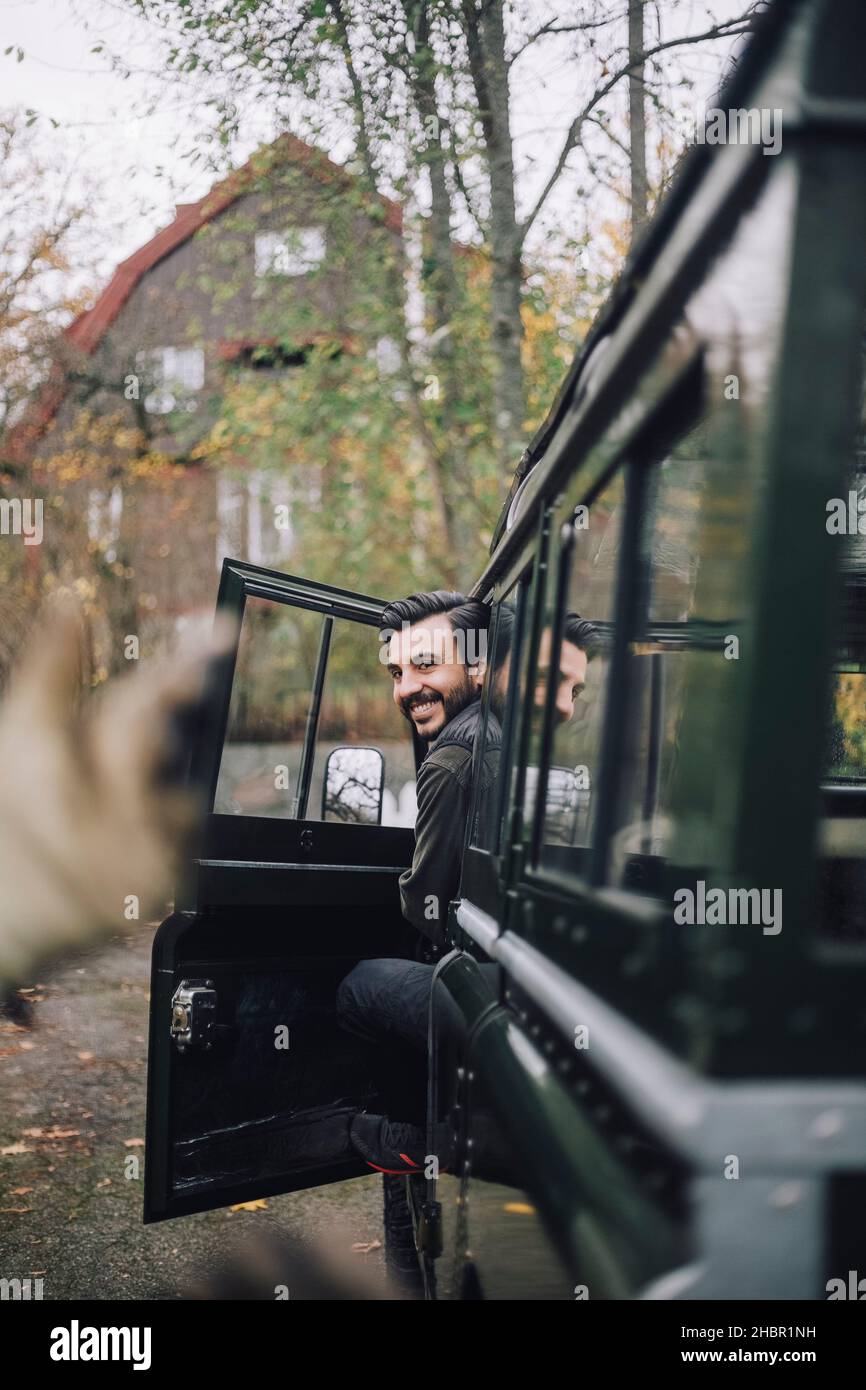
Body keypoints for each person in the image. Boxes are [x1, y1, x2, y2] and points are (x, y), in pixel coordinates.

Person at [336, 590, 497, 1177]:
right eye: (397, 672)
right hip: (512, 973)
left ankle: (417, 1133)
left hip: (493, 992)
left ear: (478, 667)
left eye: (426, 665)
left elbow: (427, 905)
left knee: (360, 987)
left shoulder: (450, 760)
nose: (406, 688)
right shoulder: (503, 731)